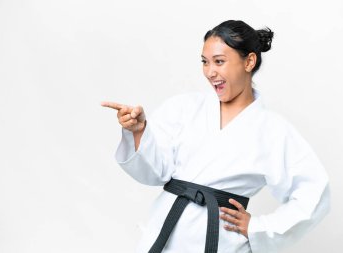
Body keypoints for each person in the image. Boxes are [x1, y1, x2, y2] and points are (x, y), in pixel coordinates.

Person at [101, 20, 330, 253]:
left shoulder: (272, 130)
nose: (210, 72)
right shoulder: (183, 108)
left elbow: (314, 193)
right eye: (205, 62)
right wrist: (139, 132)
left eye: (219, 62)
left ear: (249, 61)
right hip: (166, 235)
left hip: (223, 243)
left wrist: (259, 227)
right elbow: (154, 172)